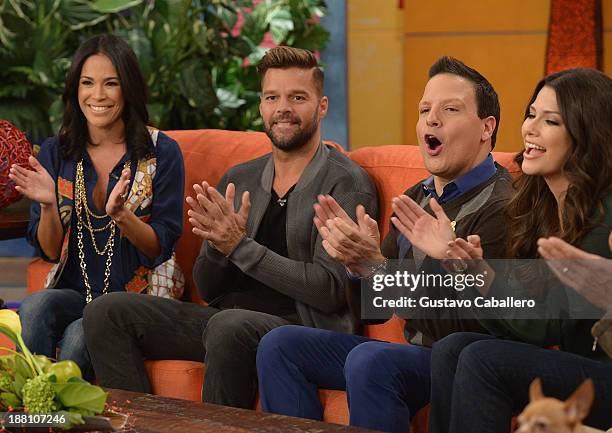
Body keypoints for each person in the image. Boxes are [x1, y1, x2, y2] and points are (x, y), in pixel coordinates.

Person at [83, 46, 378, 409]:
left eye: (297, 97)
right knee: (106, 312)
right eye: (272, 97)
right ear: (261, 107)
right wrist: (220, 251)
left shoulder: (345, 183)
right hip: (225, 321)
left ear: (322, 106)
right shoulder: (242, 177)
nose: (282, 107)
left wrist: (240, 247)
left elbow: (330, 290)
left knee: (229, 326)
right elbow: (208, 289)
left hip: (298, 329)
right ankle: (141, 422)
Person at [256, 56, 513, 433]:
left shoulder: (502, 206)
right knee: (279, 345)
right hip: (414, 353)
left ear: (486, 128)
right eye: (425, 109)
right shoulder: (417, 198)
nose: (432, 119)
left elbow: (466, 325)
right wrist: (357, 265)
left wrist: (381, 268)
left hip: (460, 360)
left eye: (450, 109)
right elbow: (374, 311)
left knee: (371, 359)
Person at [428, 68, 612, 433]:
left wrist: (484, 278)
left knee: (484, 357)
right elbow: (518, 325)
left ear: (587, 134)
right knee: (453, 348)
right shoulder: (537, 207)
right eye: (531, 114)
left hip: (604, 379)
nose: (530, 128)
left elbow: (545, 325)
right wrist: (471, 273)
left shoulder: (604, 218)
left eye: (551, 121)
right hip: (575, 368)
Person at [10, 34, 184, 380]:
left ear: (128, 89)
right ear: (76, 89)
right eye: (87, 83)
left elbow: (159, 248)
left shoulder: (160, 153)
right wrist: (47, 205)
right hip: (76, 291)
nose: (98, 95)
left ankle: (64, 421)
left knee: (78, 336)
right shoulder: (56, 152)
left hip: (133, 299)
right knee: (33, 307)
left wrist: (122, 216)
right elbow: (47, 251)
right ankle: (32, 416)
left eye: (111, 84)